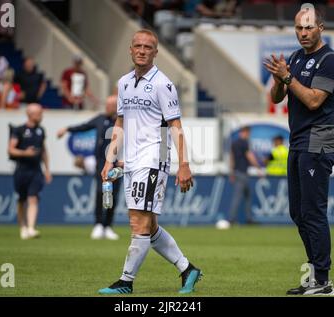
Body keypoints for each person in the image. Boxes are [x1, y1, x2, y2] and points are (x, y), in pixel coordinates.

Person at [98, 29, 202, 295]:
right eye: (138, 46)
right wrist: (110, 160)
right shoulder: (122, 83)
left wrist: (184, 164)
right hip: (131, 162)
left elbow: (175, 126)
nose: (142, 50)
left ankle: (126, 281)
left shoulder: (163, 84)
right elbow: (119, 124)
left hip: (154, 159)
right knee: (149, 225)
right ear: (130, 50)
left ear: (156, 53)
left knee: (138, 223)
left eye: (148, 47)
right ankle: (188, 269)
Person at [264, 3, 334, 296]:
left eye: (309, 27)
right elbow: (278, 96)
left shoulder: (330, 60)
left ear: (320, 28)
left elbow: (312, 101)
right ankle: (314, 278)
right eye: (299, 27)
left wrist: (287, 78)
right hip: (298, 140)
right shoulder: (296, 57)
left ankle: (323, 280)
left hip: (318, 139)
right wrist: (278, 80)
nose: (303, 33)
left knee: (313, 212)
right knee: (298, 212)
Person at [57, 95, 121, 240]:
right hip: (101, 163)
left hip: (117, 165)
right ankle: (98, 224)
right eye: (107, 104)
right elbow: (84, 126)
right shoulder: (100, 119)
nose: (107, 107)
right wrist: (67, 129)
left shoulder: (121, 121)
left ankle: (108, 226)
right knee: (100, 192)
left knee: (114, 195)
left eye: (111, 105)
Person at [8, 103, 52, 240]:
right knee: (22, 200)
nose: (41, 116)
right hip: (21, 169)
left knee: (33, 198)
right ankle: (23, 227)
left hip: (36, 170)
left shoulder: (41, 131)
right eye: (39, 113)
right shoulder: (19, 130)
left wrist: (47, 169)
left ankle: (31, 228)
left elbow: (43, 151)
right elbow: (11, 149)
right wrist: (25, 153)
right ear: (31, 114)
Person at [226, 126, 262, 226]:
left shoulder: (234, 143)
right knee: (238, 197)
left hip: (237, 172)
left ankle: (248, 218)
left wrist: (231, 172)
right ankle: (232, 219)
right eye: (248, 133)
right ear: (245, 132)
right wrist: (258, 167)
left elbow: (231, 158)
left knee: (247, 196)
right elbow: (249, 156)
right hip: (242, 173)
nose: (248, 135)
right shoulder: (244, 142)